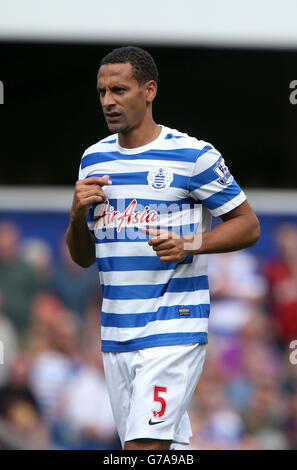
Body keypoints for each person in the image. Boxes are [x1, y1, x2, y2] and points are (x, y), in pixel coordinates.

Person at [66, 46, 260, 451]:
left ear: (149, 90)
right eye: (102, 92)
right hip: (116, 333)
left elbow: (248, 226)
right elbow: (83, 258)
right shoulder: (93, 159)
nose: (108, 101)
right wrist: (75, 215)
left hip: (174, 327)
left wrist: (191, 243)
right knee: (166, 448)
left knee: (142, 448)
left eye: (119, 90)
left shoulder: (193, 156)